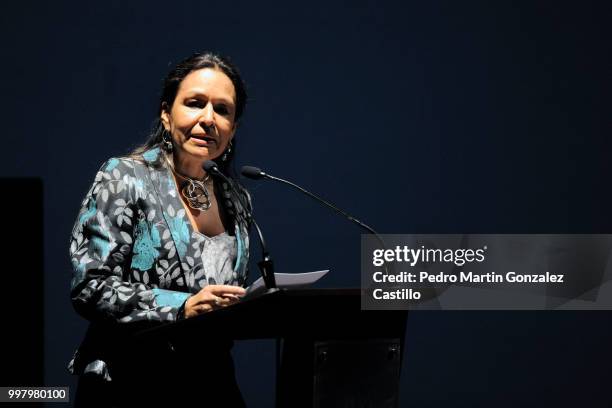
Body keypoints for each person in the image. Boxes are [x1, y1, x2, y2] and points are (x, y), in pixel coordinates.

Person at [68, 52, 252, 407]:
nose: (208, 119)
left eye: (223, 110)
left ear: (234, 128)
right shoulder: (125, 177)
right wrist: (182, 306)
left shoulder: (236, 197)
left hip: (213, 384)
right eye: (195, 103)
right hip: (132, 381)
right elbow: (90, 284)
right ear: (167, 114)